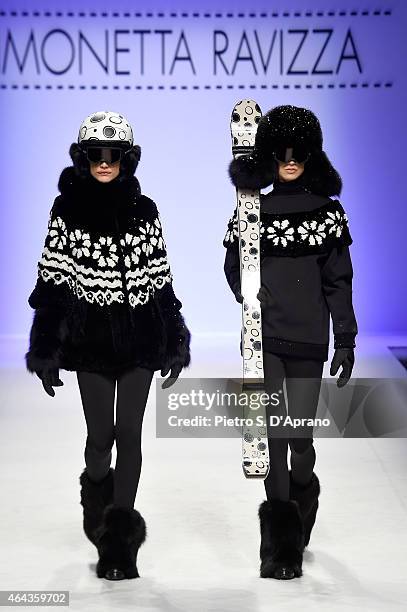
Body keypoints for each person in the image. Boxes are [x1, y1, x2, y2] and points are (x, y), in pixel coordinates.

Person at [25, 110, 191, 580]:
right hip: (91, 343)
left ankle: (118, 546)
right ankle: (95, 493)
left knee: (130, 436)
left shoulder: (145, 210)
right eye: (95, 155)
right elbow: (54, 279)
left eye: (112, 154)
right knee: (101, 441)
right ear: (83, 159)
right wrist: (46, 347)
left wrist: (175, 338)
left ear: (125, 159)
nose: (104, 163)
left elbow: (160, 278)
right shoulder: (66, 210)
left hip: (139, 340)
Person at [223, 104, 357, 580]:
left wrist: (345, 338)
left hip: (308, 339)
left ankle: (304, 492)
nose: (289, 159)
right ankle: (280, 544)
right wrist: (248, 294)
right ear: (267, 155)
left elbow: (338, 280)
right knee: (271, 440)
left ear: (311, 153)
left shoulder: (326, 213)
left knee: (300, 439)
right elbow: (233, 266)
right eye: (280, 152)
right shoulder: (249, 210)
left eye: (297, 151)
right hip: (265, 339)